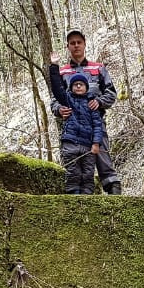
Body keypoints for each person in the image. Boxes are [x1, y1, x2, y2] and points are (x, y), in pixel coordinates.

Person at [50, 30, 122, 195]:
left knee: (102, 156)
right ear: (67, 47)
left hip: (95, 123)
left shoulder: (98, 68)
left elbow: (111, 93)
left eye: (79, 42)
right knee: (76, 163)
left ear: (84, 44)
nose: (76, 46)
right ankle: (78, 194)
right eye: (72, 43)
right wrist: (59, 110)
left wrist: (99, 101)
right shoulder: (63, 72)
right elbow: (54, 99)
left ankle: (113, 190)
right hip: (73, 127)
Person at [47, 63, 104, 195]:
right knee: (73, 172)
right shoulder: (67, 100)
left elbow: (97, 125)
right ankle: (73, 197)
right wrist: (54, 67)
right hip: (70, 144)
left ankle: (87, 198)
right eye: (75, 84)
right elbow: (57, 88)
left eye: (81, 84)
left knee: (88, 173)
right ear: (71, 87)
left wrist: (96, 143)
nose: (78, 86)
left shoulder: (91, 104)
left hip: (88, 146)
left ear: (86, 87)